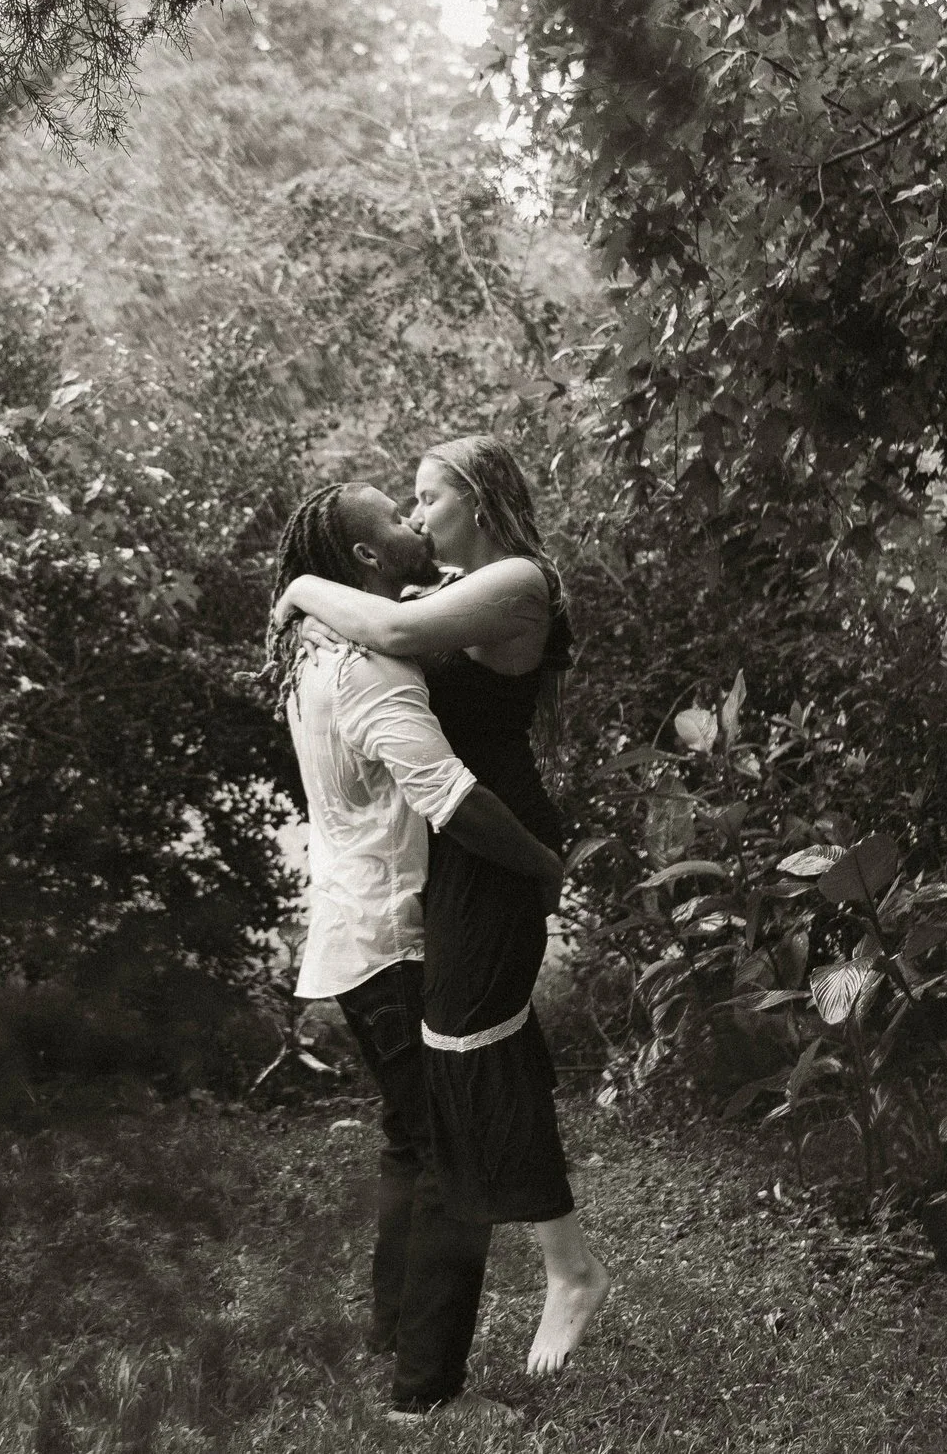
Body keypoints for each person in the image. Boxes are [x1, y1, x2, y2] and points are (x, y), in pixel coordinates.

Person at [274, 434, 614, 1377]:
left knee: (470, 1057)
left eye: (428, 497)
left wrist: (300, 588)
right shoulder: (452, 588)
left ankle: (566, 1270)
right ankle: (552, 1273)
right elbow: (386, 623)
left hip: (496, 837)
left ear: (481, 497)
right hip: (460, 849)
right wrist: (311, 600)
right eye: (407, 504)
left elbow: (388, 634)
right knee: (477, 1060)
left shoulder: (518, 580)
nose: (418, 517)